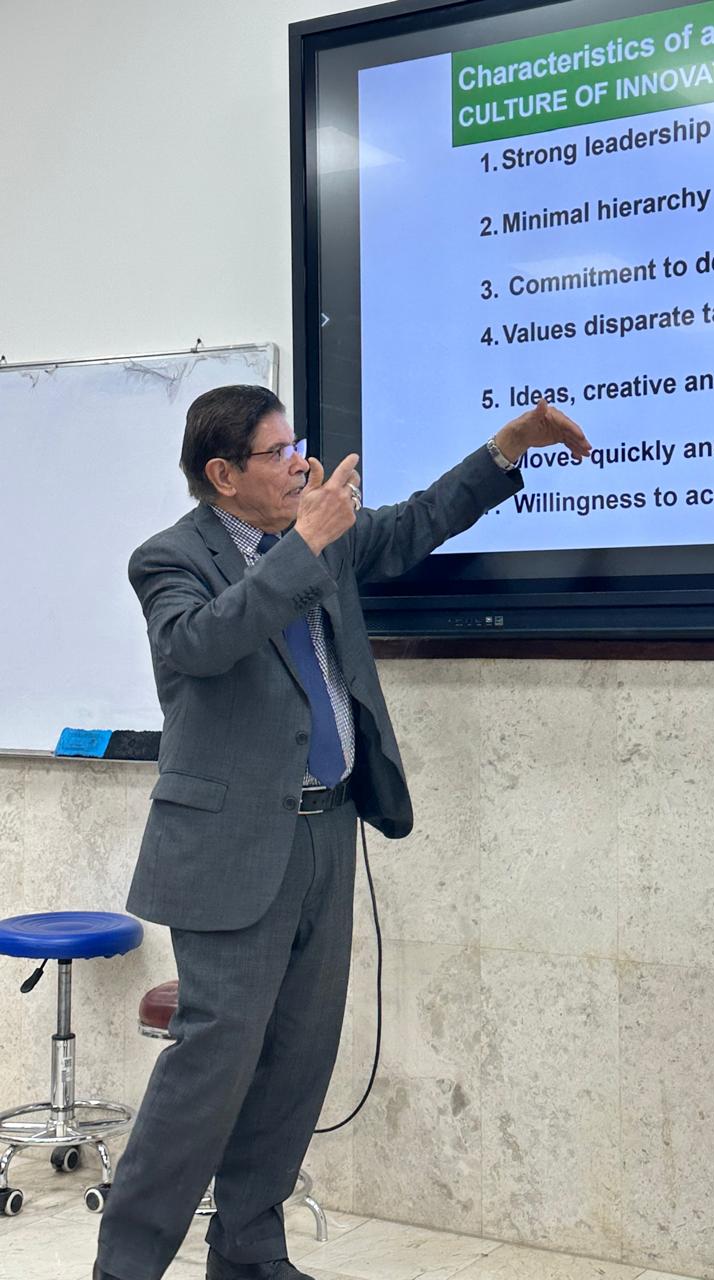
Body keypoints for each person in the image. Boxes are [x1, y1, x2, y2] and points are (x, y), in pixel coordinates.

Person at [94, 384, 591, 1280]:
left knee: (297, 1061)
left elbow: (417, 523)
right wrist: (306, 544)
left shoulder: (319, 537)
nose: (299, 464)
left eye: (298, 445)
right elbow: (200, 644)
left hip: (327, 831)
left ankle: (249, 1252)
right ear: (223, 475)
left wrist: (509, 447)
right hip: (229, 850)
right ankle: (125, 1267)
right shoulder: (170, 557)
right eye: (277, 453)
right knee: (211, 1069)